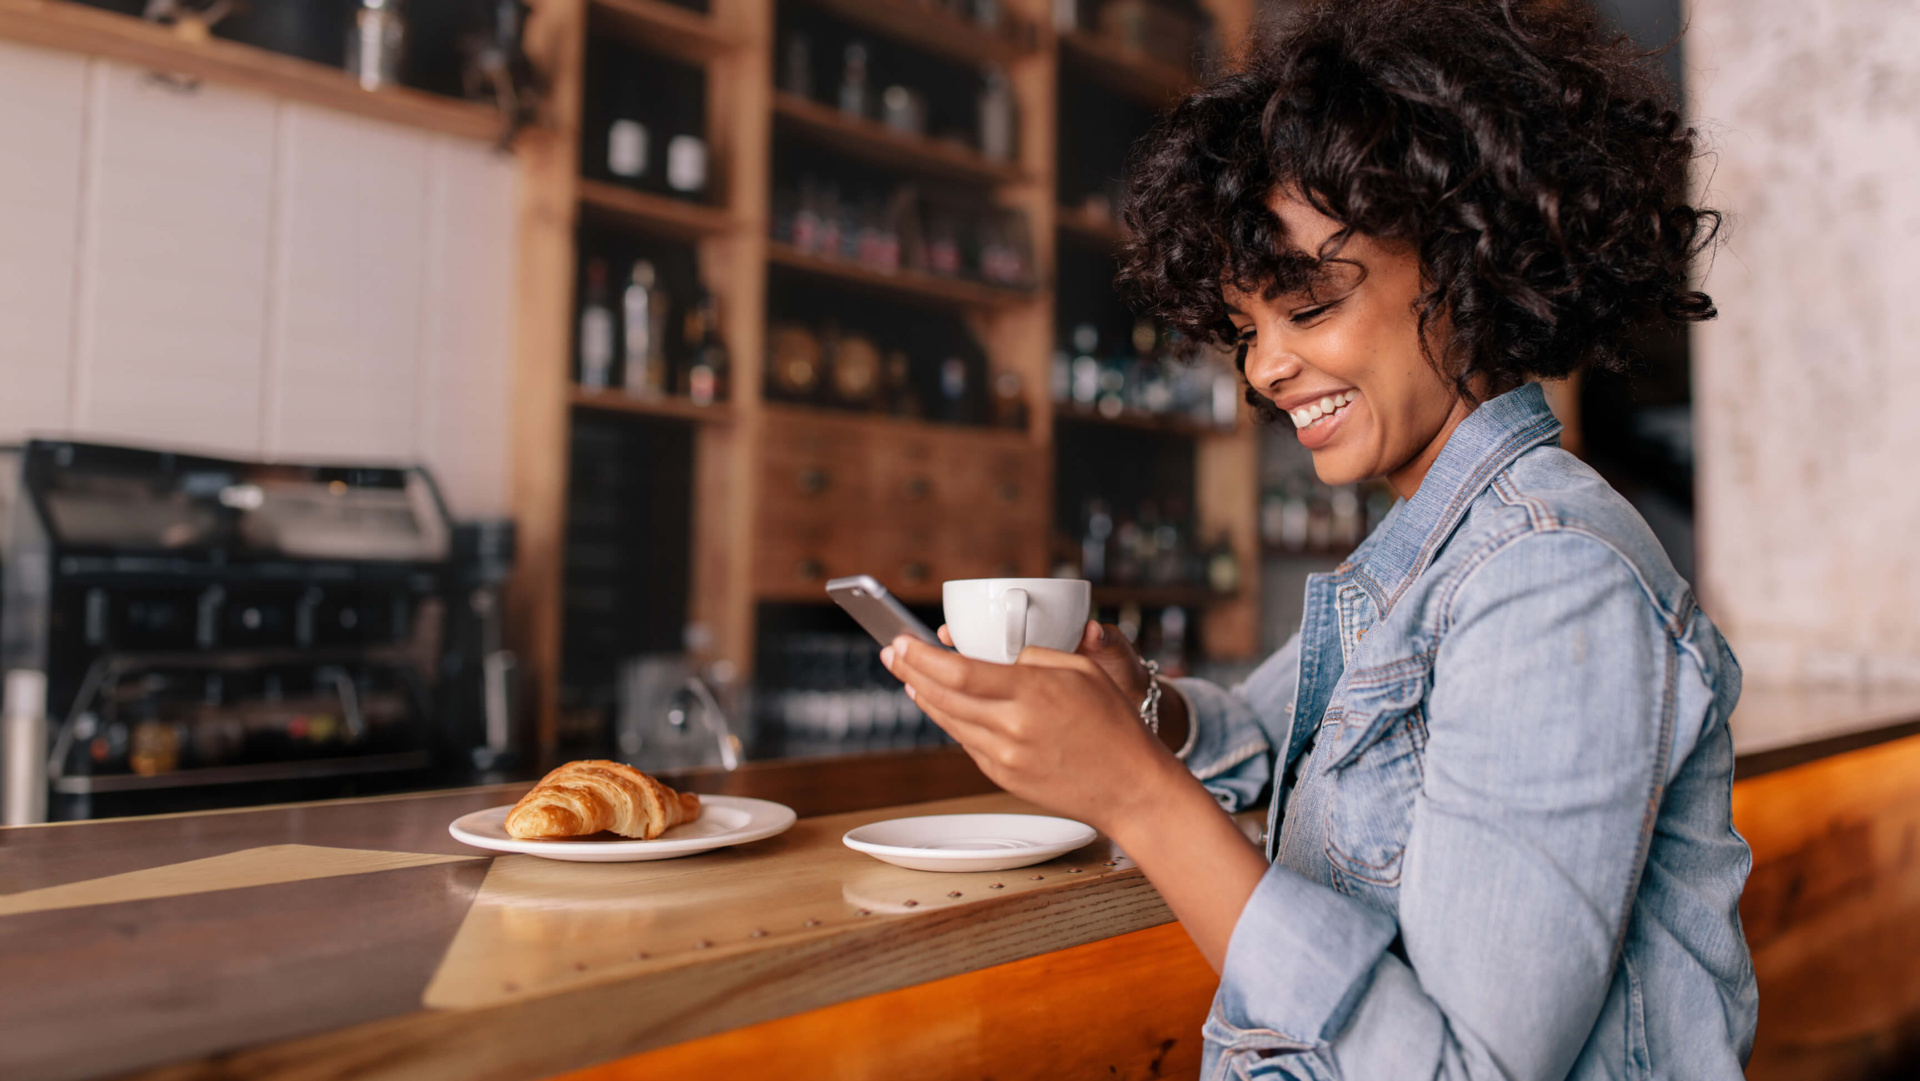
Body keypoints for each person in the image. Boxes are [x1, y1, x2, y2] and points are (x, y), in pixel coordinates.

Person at [881, 1, 1756, 1077]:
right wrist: (1142, 709)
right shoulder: (1435, 555)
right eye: (1248, 329)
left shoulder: (1550, 578)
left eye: (1307, 303)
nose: (1262, 368)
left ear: (1464, 261)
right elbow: (1270, 735)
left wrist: (1137, 799)